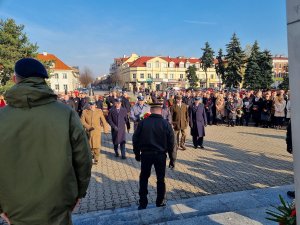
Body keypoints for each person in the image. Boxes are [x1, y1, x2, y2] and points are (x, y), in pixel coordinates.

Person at [0, 58, 92, 225]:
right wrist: (79, 193)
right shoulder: (66, 113)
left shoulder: (1, 117)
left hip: (14, 206)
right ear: (44, 81)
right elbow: (83, 159)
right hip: (59, 202)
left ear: (15, 79)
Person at [132, 102, 175, 210]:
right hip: (160, 155)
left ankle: (143, 203)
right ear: (161, 111)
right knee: (161, 179)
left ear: (150, 111)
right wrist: (172, 159)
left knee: (144, 178)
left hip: (146, 155)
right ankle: (160, 202)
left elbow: (135, 139)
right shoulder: (166, 124)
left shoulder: (143, 123)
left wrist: (137, 154)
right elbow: (172, 143)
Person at [81, 101, 109, 165]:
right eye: (90, 105)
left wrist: (106, 130)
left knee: (96, 146)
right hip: (88, 132)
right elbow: (82, 122)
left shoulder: (99, 111)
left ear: (95, 105)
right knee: (89, 146)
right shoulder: (85, 112)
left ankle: (96, 158)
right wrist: (88, 127)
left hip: (97, 131)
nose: (91, 106)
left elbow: (104, 121)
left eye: (93, 105)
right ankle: (90, 156)